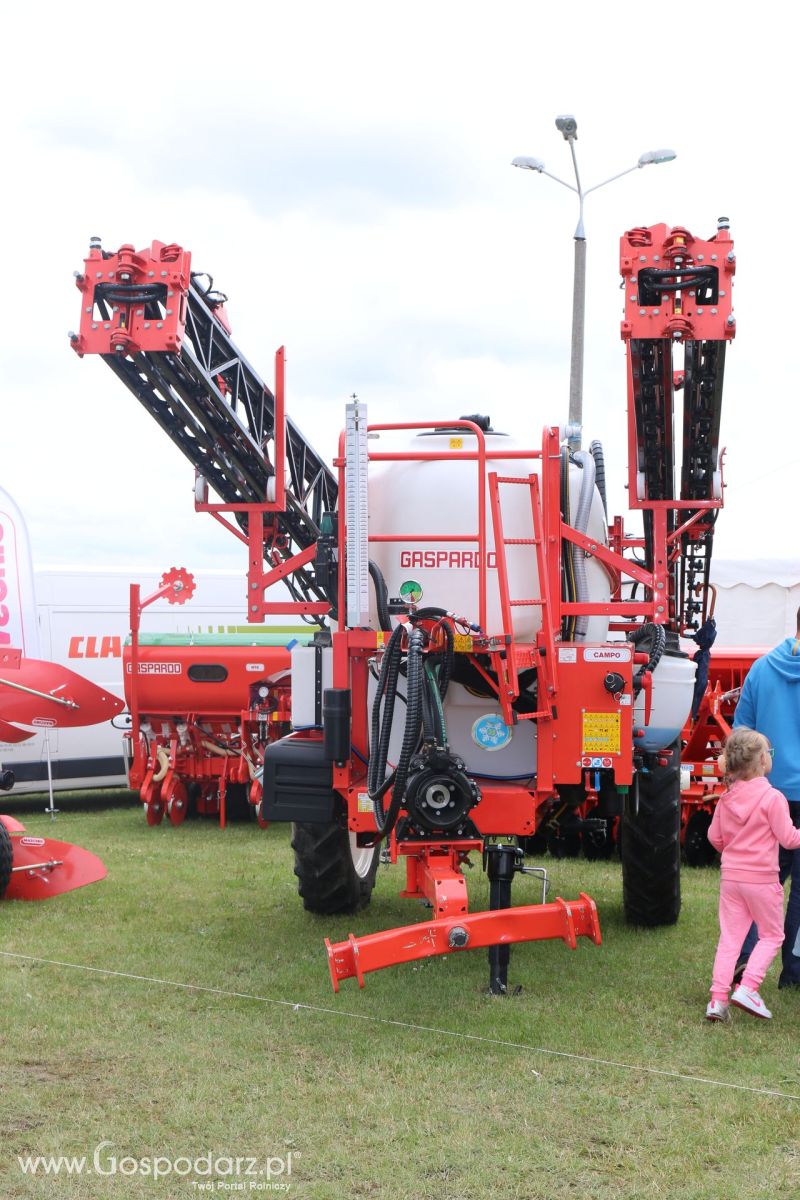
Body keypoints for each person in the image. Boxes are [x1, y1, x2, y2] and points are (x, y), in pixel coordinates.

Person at [705, 728, 800, 1021]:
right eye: (769, 754)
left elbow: (714, 838)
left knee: (730, 938)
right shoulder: (773, 798)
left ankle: (718, 1000)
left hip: (731, 878)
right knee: (772, 935)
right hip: (761, 880)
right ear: (761, 760)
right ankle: (748, 987)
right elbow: (789, 839)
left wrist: (732, 848)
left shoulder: (726, 799)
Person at [732, 617, 800, 989]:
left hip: (765, 794)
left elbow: (741, 731)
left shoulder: (762, 668)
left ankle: (744, 958)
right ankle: (794, 971)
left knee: (761, 882)